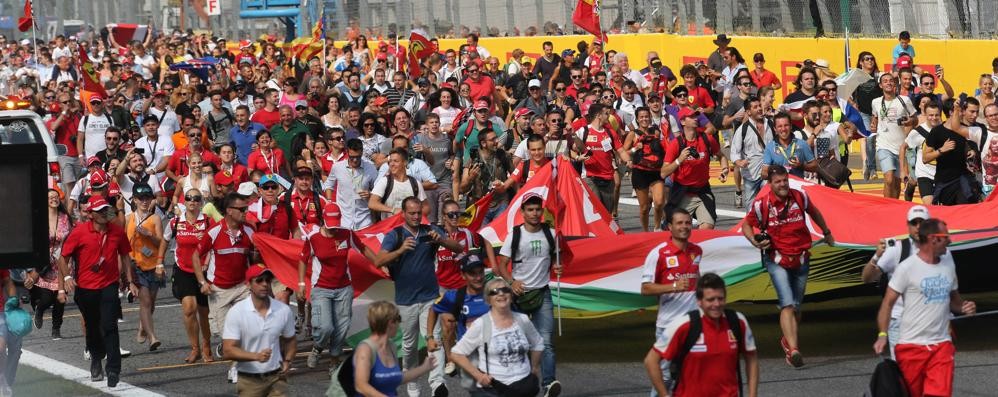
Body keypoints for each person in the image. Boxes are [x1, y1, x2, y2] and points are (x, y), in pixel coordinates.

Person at [741, 166, 833, 369]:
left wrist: (826, 231)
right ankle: (794, 350)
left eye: (784, 180)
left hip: (801, 258)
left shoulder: (800, 197)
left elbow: (814, 212)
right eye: (778, 181)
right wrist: (754, 241)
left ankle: (786, 340)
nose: (782, 184)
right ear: (770, 184)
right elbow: (746, 225)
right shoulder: (761, 204)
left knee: (797, 309)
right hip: (776, 259)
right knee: (787, 304)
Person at [872, 218, 976, 397]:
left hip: (941, 346)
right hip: (911, 347)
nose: (950, 240)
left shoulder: (948, 265)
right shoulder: (906, 268)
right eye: (946, 237)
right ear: (933, 238)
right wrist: (882, 335)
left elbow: (955, 301)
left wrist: (965, 307)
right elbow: (887, 304)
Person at [374, 197, 462, 397]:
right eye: (411, 213)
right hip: (406, 300)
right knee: (409, 345)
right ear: (403, 214)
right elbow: (379, 260)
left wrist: (441, 240)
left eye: (418, 213)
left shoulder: (430, 230)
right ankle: (412, 385)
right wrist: (400, 250)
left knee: (434, 338)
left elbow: (458, 248)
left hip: (430, 297)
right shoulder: (395, 235)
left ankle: (438, 384)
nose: (415, 217)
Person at [494, 193, 571, 397]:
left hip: (542, 293)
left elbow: (559, 255)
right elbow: (501, 264)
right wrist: (512, 282)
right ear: (523, 213)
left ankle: (548, 383)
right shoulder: (515, 235)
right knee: (516, 343)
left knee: (546, 341)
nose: (535, 213)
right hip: (518, 297)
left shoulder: (551, 233)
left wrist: (558, 265)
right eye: (530, 210)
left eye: (538, 209)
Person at [58, 196, 135, 387]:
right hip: (85, 288)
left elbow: (125, 255)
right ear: (91, 214)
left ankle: (113, 369)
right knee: (93, 328)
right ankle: (96, 358)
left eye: (105, 210)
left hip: (109, 285)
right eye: (99, 210)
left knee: (110, 325)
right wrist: (67, 278)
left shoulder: (116, 231)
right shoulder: (79, 232)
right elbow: (62, 257)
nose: (103, 213)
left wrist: (130, 280)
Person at [645, 273, 759, 397]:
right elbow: (651, 360)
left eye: (720, 298)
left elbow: (752, 358)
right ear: (699, 301)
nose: (716, 304)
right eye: (710, 300)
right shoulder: (684, 325)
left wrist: (752, 395)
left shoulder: (737, 321)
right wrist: (664, 395)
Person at [298, 202, 378, 371]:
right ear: (323, 220)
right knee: (325, 326)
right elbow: (302, 260)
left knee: (342, 326)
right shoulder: (313, 238)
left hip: (344, 288)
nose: (334, 229)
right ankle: (318, 346)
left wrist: (379, 263)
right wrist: (301, 284)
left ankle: (334, 360)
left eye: (336, 225)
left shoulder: (347, 234)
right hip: (321, 288)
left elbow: (363, 248)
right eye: (330, 225)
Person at [192, 193, 255, 383]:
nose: (246, 212)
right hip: (219, 290)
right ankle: (226, 348)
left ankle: (236, 367)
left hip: (243, 287)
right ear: (229, 211)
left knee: (246, 329)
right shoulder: (214, 232)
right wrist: (203, 282)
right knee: (227, 335)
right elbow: (196, 256)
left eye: (247, 208)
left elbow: (257, 256)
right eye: (242, 209)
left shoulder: (250, 231)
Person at [639, 208, 701, 394]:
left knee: (692, 373)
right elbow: (645, 288)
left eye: (688, 223)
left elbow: (697, 279)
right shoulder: (658, 254)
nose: (684, 227)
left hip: (693, 324)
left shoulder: (697, 251)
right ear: (669, 227)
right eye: (680, 223)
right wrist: (673, 286)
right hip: (668, 325)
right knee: (665, 376)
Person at [450, 278, 545, 397]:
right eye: (494, 291)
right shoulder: (481, 324)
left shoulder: (522, 320)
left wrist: (535, 368)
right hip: (493, 389)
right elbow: (457, 353)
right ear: (488, 300)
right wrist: (479, 376)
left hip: (524, 386)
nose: (501, 293)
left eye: (505, 290)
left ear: (511, 295)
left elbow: (538, 343)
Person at [861, 205, 930, 359]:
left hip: (929, 323)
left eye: (922, 222)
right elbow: (867, 278)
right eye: (914, 223)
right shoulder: (897, 249)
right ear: (908, 225)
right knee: (904, 374)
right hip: (900, 322)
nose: (918, 227)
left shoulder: (941, 251)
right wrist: (876, 256)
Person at [222, 265, 297, 397]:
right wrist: (256, 356)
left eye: (267, 280)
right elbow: (228, 350)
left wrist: (288, 360)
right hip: (249, 380)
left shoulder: (283, 311)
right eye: (259, 280)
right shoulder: (237, 312)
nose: (264, 284)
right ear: (248, 284)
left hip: (276, 378)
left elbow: (290, 339)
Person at [161, 188, 214, 363]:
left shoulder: (208, 221)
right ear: (185, 201)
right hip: (183, 269)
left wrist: (208, 259)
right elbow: (165, 240)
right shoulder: (176, 222)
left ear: (201, 202)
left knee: (204, 312)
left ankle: (207, 346)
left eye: (196, 198)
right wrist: (159, 262)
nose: (192, 201)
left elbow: (216, 242)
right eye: (189, 198)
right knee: (189, 309)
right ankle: (195, 348)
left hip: (204, 271)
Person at [427, 254, 492, 382]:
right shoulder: (454, 296)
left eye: (481, 272)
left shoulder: (494, 293)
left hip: (494, 351)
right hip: (470, 355)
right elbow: (433, 310)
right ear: (463, 276)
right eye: (473, 274)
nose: (478, 277)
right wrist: (429, 337)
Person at [354, 301, 438, 397]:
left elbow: (395, 377)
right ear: (391, 323)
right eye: (399, 318)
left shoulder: (391, 346)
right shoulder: (365, 349)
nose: (399, 323)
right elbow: (361, 386)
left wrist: (424, 368)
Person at [661, 108, 723, 230]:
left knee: (707, 228)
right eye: (692, 117)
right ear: (683, 121)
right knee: (678, 229)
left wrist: (725, 169)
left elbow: (721, 156)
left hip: (703, 191)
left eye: (696, 116)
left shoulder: (707, 139)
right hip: (683, 193)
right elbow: (663, 173)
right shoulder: (676, 144)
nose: (696, 119)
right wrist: (679, 160)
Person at [25, 190, 73, 340]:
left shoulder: (66, 218)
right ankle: (39, 309)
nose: (54, 199)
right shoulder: (39, 219)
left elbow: (71, 239)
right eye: (50, 197)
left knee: (61, 297)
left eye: (56, 196)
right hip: (45, 263)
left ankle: (56, 329)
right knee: (47, 298)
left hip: (62, 262)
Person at [125, 182, 165, 352]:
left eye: (147, 198)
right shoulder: (128, 219)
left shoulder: (155, 218)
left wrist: (149, 235)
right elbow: (123, 244)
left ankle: (143, 326)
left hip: (154, 265)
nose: (144, 201)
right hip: (136, 266)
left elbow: (161, 242)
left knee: (152, 304)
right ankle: (153, 337)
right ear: (134, 199)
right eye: (141, 198)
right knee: (145, 301)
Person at [923, 99, 982, 205]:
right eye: (960, 110)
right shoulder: (937, 131)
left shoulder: (965, 130)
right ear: (951, 112)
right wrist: (941, 150)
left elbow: (974, 148)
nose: (963, 113)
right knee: (948, 214)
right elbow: (925, 158)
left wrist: (971, 151)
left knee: (964, 207)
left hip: (963, 179)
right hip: (944, 181)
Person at [871, 73, 917, 199]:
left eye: (891, 80)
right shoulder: (875, 102)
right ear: (880, 85)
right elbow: (875, 118)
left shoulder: (904, 100)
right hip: (883, 145)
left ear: (895, 84)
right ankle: (886, 206)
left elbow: (915, 119)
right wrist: (873, 125)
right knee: (889, 179)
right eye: (885, 81)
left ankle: (893, 205)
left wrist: (910, 122)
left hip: (901, 147)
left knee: (897, 182)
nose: (888, 83)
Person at [622, 107, 668, 231]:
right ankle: (646, 231)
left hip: (655, 172)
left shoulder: (656, 132)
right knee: (644, 207)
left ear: (650, 117)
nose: (644, 119)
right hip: (640, 173)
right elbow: (623, 152)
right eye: (641, 117)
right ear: (637, 119)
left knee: (659, 202)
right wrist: (635, 148)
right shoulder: (633, 134)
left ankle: (657, 228)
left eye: (646, 116)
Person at [573, 103, 621, 213]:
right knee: (596, 209)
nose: (609, 116)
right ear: (599, 115)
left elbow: (620, 149)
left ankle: (605, 229)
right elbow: (571, 148)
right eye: (606, 114)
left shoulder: (609, 132)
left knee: (607, 212)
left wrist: (628, 160)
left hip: (608, 177)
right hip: (590, 176)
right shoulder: (583, 131)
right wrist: (577, 157)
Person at [322, 138, 379, 230]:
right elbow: (328, 185)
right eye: (352, 157)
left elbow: (378, 191)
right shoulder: (337, 167)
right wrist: (329, 202)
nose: (355, 160)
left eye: (358, 157)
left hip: (364, 221)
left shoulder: (371, 168)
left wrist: (370, 194)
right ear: (347, 152)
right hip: (343, 221)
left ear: (362, 152)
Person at [730, 96, 774, 204]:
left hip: (768, 173)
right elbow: (734, 152)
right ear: (748, 112)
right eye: (755, 107)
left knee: (768, 203)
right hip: (751, 174)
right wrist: (739, 162)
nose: (759, 108)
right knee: (751, 207)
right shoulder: (742, 130)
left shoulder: (771, 125)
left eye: (759, 105)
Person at [902, 102, 942, 204]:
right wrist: (904, 171)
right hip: (924, 174)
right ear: (926, 115)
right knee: (930, 204)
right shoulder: (918, 132)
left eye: (936, 115)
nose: (934, 118)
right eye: (931, 115)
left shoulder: (945, 129)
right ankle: (910, 187)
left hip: (942, 174)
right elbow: (903, 148)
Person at [762, 112, 817, 179]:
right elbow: (764, 172)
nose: (783, 129)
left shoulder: (802, 144)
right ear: (775, 129)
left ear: (791, 126)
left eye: (786, 125)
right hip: (780, 187)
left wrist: (800, 166)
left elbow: (815, 166)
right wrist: (774, 171)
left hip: (797, 187)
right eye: (780, 126)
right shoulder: (770, 147)